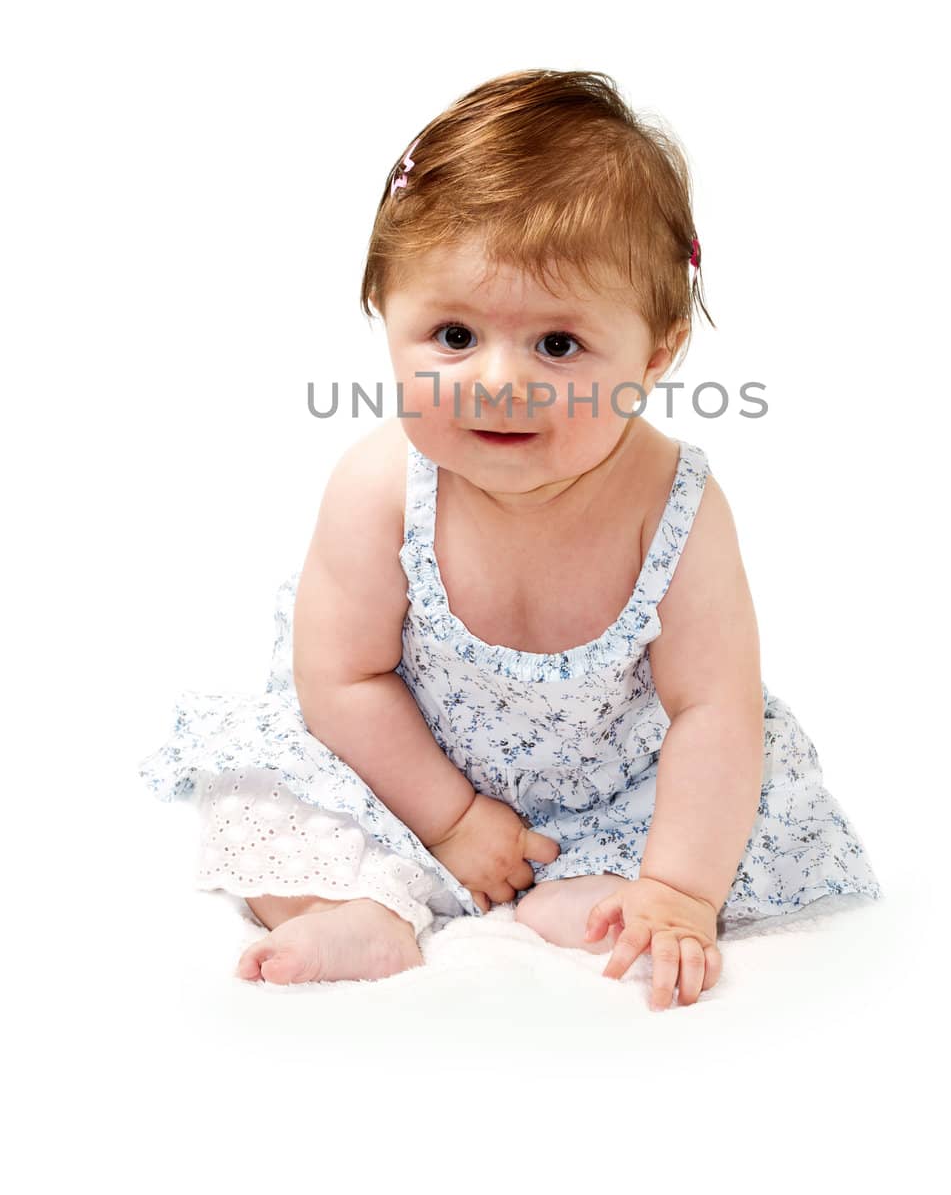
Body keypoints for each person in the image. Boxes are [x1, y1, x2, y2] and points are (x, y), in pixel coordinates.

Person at [139, 68, 881, 1011]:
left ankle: (601, 896)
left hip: (611, 783)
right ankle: (369, 905)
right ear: (386, 317)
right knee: (269, 799)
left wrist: (681, 889)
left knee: (736, 802)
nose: (496, 381)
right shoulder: (382, 490)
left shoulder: (675, 505)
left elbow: (710, 710)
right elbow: (342, 682)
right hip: (401, 765)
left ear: (655, 352)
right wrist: (448, 818)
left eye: (558, 346)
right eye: (452, 334)